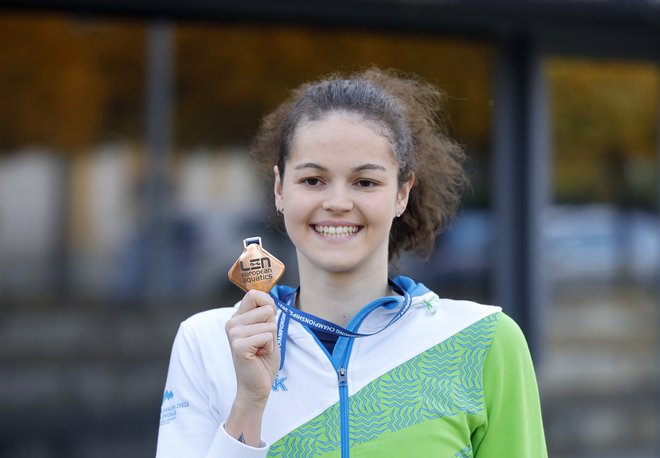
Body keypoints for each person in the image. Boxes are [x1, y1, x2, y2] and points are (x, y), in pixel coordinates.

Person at [156, 67, 547, 457]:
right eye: (313, 180)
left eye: (365, 182)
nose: (338, 203)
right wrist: (249, 404)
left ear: (402, 192)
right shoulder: (209, 343)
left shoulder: (483, 340)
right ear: (279, 189)